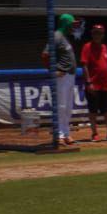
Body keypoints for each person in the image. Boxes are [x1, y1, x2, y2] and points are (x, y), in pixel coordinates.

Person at [41, 13, 78, 146]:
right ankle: (59, 135)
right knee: (61, 106)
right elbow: (45, 54)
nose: (74, 27)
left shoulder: (66, 38)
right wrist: (52, 71)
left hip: (70, 75)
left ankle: (66, 133)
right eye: (72, 24)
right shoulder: (56, 36)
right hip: (61, 76)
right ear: (66, 24)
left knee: (68, 107)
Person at [79, 23, 107, 141]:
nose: (97, 35)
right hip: (93, 85)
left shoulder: (105, 47)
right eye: (95, 33)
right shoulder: (87, 47)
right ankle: (94, 133)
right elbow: (84, 65)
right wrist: (88, 82)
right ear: (92, 34)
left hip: (105, 84)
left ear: (103, 35)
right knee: (93, 110)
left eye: (100, 33)